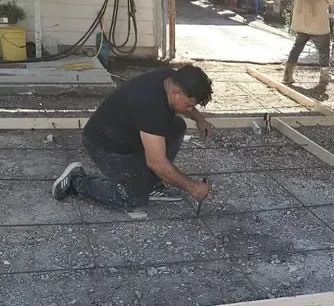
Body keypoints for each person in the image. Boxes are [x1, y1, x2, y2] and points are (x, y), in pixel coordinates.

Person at [52, 64, 214, 210]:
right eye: (189, 105)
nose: (190, 109)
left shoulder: (171, 78)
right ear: (175, 93)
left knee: (176, 126)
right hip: (104, 144)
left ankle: (151, 185)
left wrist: (199, 119)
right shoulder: (150, 105)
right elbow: (156, 163)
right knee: (131, 197)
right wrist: (192, 187)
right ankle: (76, 181)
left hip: (129, 133)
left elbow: (181, 104)